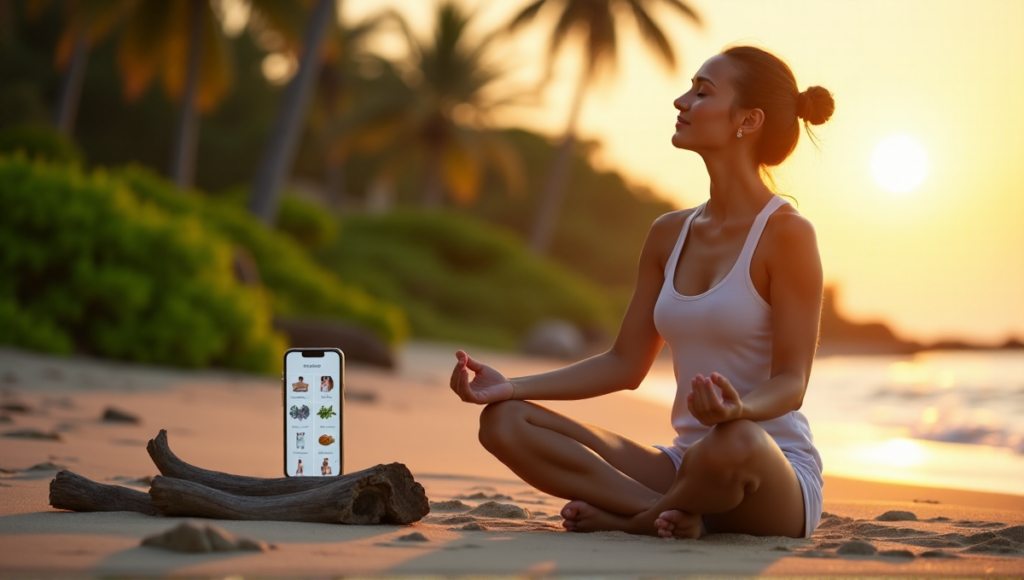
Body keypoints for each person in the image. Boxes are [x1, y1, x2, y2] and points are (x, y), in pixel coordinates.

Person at [449, 45, 834, 540]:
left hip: (766, 471)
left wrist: (737, 410)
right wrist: (511, 387)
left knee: (732, 441)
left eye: (702, 92)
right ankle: (668, 514)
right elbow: (625, 364)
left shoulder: (788, 234)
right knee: (504, 423)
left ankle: (634, 519)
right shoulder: (668, 233)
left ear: (749, 120)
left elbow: (791, 382)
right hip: (684, 465)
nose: (681, 101)